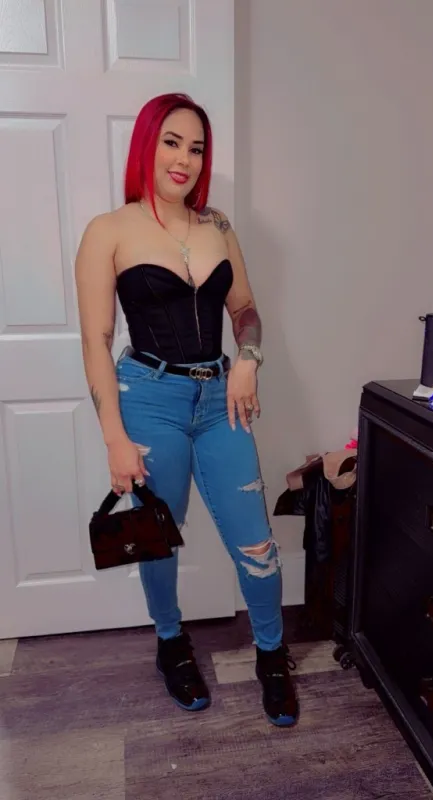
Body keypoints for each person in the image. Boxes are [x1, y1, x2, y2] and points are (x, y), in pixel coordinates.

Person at [75, 93, 298, 727]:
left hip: (221, 400)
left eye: (196, 148)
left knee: (257, 542)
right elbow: (94, 340)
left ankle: (271, 654)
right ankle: (171, 642)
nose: (185, 159)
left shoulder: (216, 225)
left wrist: (248, 357)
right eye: (171, 142)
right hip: (149, 400)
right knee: (158, 537)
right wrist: (115, 438)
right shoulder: (109, 230)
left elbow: (244, 308)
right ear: (146, 145)